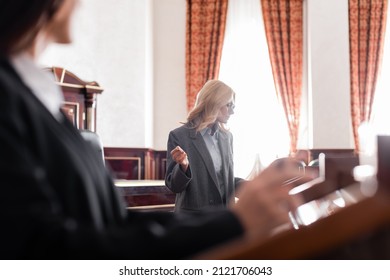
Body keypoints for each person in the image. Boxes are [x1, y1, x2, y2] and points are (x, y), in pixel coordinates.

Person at [0, 0, 303, 259]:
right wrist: (230, 221)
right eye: (230, 105)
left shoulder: (36, 96)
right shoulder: (9, 97)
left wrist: (246, 203)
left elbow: (112, 222)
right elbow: (46, 247)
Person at [165, 80, 243, 212]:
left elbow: (224, 180)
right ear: (214, 102)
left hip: (223, 220)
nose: (232, 112)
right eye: (229, 105)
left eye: (233, 107)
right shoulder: (179, 136)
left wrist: (257, 186)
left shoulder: (227, 137)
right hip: (193, 223)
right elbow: (174, 186)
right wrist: (184, 166)